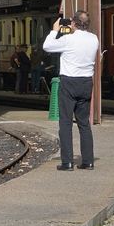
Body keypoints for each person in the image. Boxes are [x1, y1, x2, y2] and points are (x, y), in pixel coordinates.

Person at [42, 10, 98, 171]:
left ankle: (67, 162)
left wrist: (54, 30)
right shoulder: (94, 39)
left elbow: (47, 46)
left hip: (69, 82)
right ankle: (88, 161)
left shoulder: (68, 40)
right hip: (86, 83)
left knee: (66, 123)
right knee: (84, 124)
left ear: (73, 24)